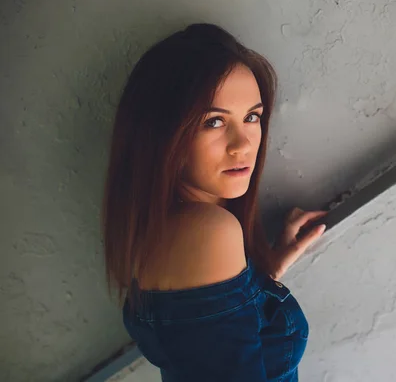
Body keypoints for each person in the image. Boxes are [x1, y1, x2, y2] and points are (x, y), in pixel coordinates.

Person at [101, 23, 328, 381]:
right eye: (214, 121)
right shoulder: (205, 233)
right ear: (163, 133)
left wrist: (264, 274)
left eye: (252, 117)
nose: (243, 143)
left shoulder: (165, 228)